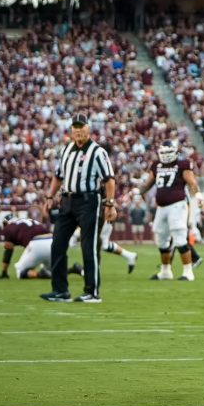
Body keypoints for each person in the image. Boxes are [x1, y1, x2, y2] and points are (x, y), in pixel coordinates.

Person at [40, 114, 118, 303]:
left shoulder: (98, 152)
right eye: (75, 127)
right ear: (71, 130)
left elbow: (109, 180)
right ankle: (60, 290)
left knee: (88, 246)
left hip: (88, 200)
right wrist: (50, 197)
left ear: (88, 129)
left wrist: (110, 204)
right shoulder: (66, 149)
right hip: (67, 200)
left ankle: (92, 291)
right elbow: (58, 176)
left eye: (81, 127)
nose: (78, 131)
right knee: (57, 244)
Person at [138, 140, 200, 281]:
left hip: (177, 205)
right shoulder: (156, 165)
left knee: (179, 237)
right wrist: (138, 192)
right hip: (161, 207)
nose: (166, 156)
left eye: (168, 152)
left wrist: (196, 195)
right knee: (161, 239)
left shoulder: (182, 164)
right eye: (163, 152)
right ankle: (165, 271)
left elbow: (192, 182)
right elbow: (148, 184)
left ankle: (188, 272)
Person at [0, 214, 83, 280]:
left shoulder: (10, 227)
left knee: (20, 271)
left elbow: (8, 249)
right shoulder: (30, 221)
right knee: (54, 271)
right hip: (52, 240)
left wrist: (4, 272)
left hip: (37, 243)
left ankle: (40, 274)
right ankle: (73, 269)